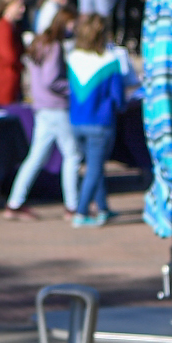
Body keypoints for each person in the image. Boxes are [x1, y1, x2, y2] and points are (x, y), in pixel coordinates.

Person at [5, 8, 79, 222]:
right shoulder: (54, 46)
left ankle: (15, 202)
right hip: (56, 107)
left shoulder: (39, 43)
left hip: (42, 107)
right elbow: (51, 79)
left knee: (36, 157)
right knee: (72, 155)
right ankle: (73, 206)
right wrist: (72, 88)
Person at [65, 13, 124, 227]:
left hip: (76, 121)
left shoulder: (73, 58)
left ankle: (103, 207)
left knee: (92, 165)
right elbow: (118, 98)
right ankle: (81, 212)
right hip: (100, 122)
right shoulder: (110, 61)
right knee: (95, 168)